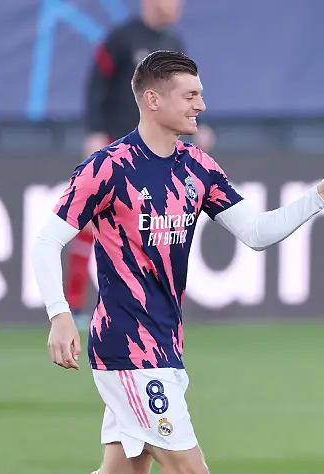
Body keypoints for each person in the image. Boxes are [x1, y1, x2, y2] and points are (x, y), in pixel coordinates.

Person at [0, 50, 324, 474]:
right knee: (190, 471)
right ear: (153, 99)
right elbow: (47, 240)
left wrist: (317, 197)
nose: (201, 105)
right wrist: (59, 315)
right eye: (190, 95)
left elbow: (256, 233)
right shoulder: (109, 168)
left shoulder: (197, 168)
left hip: (165, 344)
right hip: (126, 345)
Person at [68, 0, 216, 329]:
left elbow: (186, 93)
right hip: (115, 147)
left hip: (153, 151)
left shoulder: (174, 43)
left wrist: (197, 124)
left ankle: (149, 305)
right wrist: (95, 131)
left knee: (154, 226)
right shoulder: (121, 38)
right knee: (89, 222)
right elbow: (96, 85)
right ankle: (74, 304)